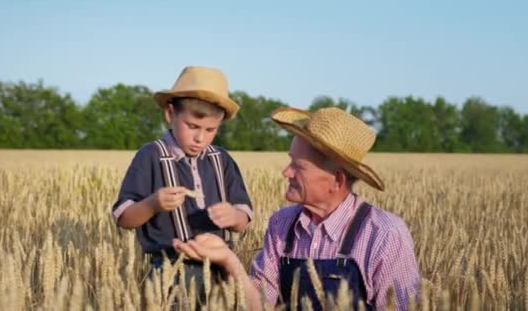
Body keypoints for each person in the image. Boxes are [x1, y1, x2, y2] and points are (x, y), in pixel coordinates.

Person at [174, 106, 420, 310]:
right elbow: (261, 306)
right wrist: (229, 261)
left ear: (337, 180)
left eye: (298, 166)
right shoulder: (282, 224)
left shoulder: (385, 234)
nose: (286, 172)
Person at [111, 66, 253, 304]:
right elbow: (124, 218)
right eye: (192, 126)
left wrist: (234, 215)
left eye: (211, 130)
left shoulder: (222, 160)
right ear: (170, 114)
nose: (200, 138)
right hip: (170, 273)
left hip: (223, 272)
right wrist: (153, 204)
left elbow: (243, 219)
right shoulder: (151, 156)